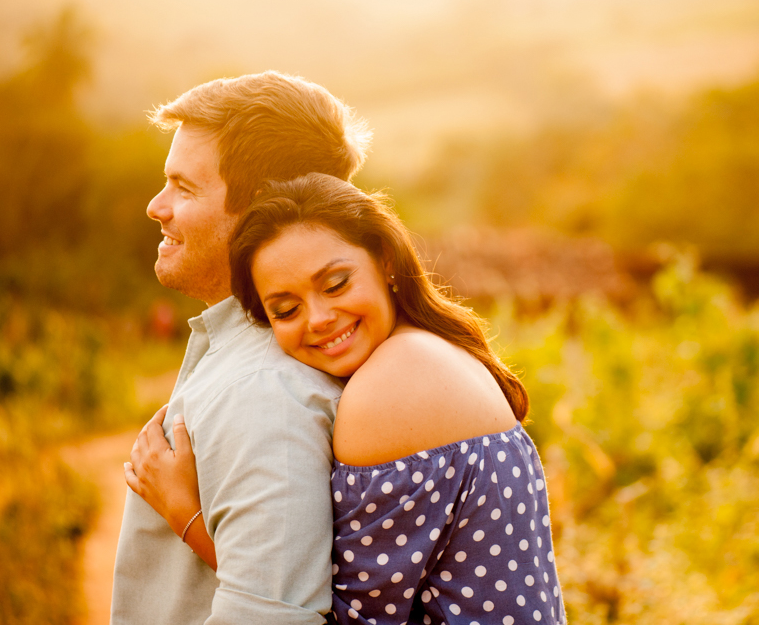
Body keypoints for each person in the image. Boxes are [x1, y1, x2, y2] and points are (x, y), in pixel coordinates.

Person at [125, 173, 566, 625]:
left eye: (335, 284)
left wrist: (185, 514)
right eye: (286, 309)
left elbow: (338, 622)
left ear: (385, 260)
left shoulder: (389, 389)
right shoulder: (433, 349)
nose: (318, 318)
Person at [112, 72, 371, 625]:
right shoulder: (248, 362)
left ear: (260, 210)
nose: (157, 206)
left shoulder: (265, 390)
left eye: (184, 187)